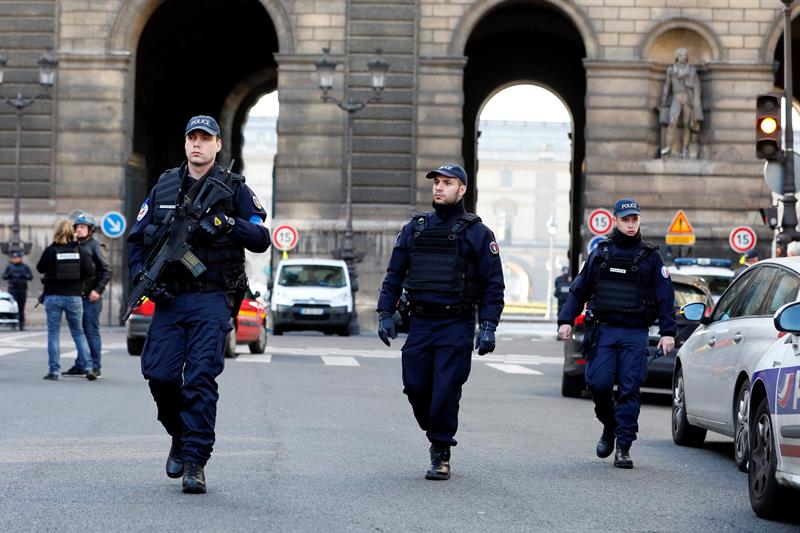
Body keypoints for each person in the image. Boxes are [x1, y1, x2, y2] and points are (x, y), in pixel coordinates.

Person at [127, 115, 271, 494]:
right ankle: (179, 434)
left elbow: (260, 237)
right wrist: (144, 279)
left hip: (212, 297)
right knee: (159, 376)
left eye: (205, 138)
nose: (198, 144)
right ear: (185, 142)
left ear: (218, 145)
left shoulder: (235, 188)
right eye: (192, 137)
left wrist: (226, 223)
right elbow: (136, 239)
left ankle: (195, 461)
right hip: (171, 299)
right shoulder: (165, 186)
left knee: (201, 379)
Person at [376, 163, 505, 480]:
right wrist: (383, 313)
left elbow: (493, 284)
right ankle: (434, 426)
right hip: (420, 323)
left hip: (456, 324)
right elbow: (395, 274)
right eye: (436, 182)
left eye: (447, 183)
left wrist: (488, 326)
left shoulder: (477, 233)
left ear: (462, 190)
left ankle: (440, 450)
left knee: (446, 390)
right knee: (416, 387)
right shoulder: (415, 228)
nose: (439, 187)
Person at [557, 198, 676, 469]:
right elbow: (579, 290)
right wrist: (565, 320)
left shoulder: (651, 256)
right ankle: (610, 426)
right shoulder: (601, 253)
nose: (631, 224)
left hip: (635, 333)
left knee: (629, 388)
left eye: (634, 219)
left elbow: (665, 298)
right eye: (626, 220)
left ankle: (623, 445)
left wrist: (668, 332)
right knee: (598, 385)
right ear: (616, 221)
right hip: (604, 331)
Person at [36, 219, 97, 381]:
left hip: (53, 296)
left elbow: (40, 268)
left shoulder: (51, 250)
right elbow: (90, 271)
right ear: (72, 232)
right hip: (74, 296)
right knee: (78, 333)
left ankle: (54, 371)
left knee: (53, 334)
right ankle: (89, 367)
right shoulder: (79, 250)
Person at [62, 213, 111, 378]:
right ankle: (81, 364)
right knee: (79, 332)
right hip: (76, 295)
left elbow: (107, 270)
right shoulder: (74, 245)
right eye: (77, 227)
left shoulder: (96, 246)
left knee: (91, 331)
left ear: (90, 230)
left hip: (91, 296)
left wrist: (98, 290)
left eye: (83, 227)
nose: (79, 230)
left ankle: (95, 366)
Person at [660, 47, 703, 159]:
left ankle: (684, 149)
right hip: (676, 97)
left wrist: (692, 90)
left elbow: (697, 85)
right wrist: (664, 100)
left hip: (687, 98)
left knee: (687, 124)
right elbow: (666, 86)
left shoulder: (691, 70)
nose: (683, 57)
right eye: (680, 55)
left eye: (684, 55)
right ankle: (668, 147)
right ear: (677, 57)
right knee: (672, 122)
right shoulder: (671, 70)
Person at [3, 250, 33, 330]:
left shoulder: (25, 267)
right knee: (13, 307)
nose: (16, 259)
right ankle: (13, 324)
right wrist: (10, 275)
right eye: (14, 258)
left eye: (17, 257)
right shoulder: (9, 267)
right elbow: (4, 276)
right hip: (12, 289)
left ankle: (21, 324)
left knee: (21, 307)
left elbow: (31, 277)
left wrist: (24, 275)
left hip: (22, 289)